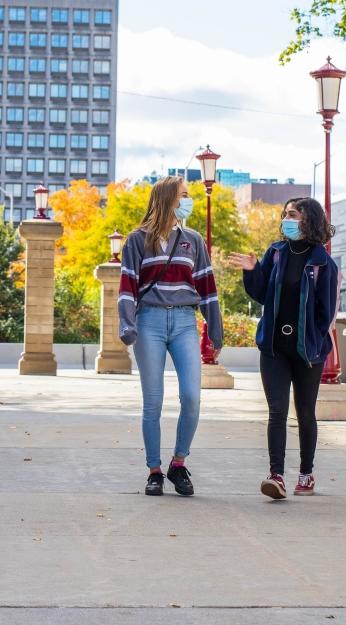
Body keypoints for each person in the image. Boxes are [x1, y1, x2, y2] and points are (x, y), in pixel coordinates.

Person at [118, 176, 223, 497]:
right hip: (148, 321)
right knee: (153, 402)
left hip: (184, 323)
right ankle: (154, 470)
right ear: (167, 199)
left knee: (192, 396)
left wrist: (215, 330)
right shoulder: (137, 241)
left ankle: (178, 463)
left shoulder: (192, 240)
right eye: (184, 195)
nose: (187, 200)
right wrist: (127, 325)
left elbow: (206, 286)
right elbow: (127, 286)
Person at [228, 197, 339, 499]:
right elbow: (261, 293)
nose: (286, 219)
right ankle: (276, 475)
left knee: (305, 412)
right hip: (274, 348)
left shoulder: (322, 263)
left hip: (307, 351)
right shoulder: (275, 254)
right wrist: (252, 271)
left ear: (309, 220)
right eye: (285, 214)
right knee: (277, 411)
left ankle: (306, 473)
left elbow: (325, 312)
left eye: (293, 214)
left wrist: (313, 342)